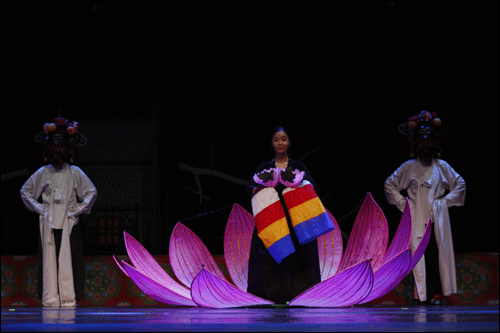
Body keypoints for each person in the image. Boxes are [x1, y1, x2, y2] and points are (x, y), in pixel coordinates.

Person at [384, 110, 465, 305]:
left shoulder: (441, 166)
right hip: (417, 216)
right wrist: (404, 204)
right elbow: (390, 184)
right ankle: (421, 296)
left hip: (437, 217)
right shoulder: (409, 167)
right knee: (418, 256)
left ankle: (439, 293)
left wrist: (445, 201)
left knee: (437, 254)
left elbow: (460, 184)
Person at [246, 126, 333, 304]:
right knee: (270, 257)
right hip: (273, 221)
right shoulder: (264, 167)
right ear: (272, 143)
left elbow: (312, 186)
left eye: (283, 139)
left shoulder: (298, 167)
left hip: (295, 221)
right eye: (276, 139)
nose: (280, 143)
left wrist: (297, 183)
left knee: (300, 258)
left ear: (289, 142)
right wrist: (261, 186)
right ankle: (267, 297)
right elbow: (250, 188)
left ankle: (302, 297)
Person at [20, 117, 97, 307]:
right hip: (48, 221)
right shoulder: (43, 172)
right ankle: (50, 297)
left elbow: (91, 192)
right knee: (49, 260)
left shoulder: (75, 172)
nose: (57, 150)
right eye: (54, 146)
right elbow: (25, 191)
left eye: (61, 146)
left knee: (69, 259)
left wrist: (78, 210)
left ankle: (69, 298)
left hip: (69, 220)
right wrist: (40, 209)